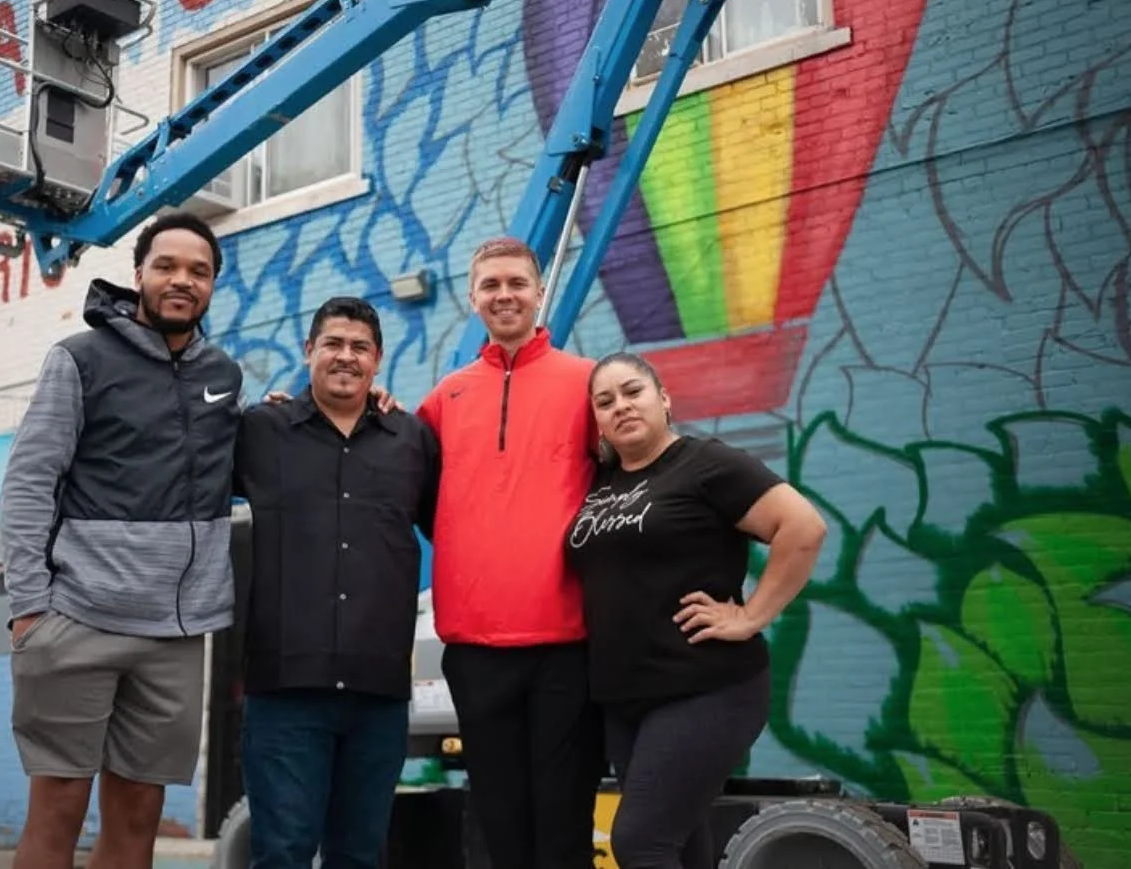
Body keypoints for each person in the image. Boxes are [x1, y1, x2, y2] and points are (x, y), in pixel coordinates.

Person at [0, 212, 242, 869]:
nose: (181, 280)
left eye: (199, 271)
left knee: (138, 819)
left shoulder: (223, 374)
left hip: (175, 635)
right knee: (58, 812)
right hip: (76, 620)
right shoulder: (80, 359)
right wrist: (29, 609)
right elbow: (27, 484)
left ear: (214, 284)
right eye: (167, 266)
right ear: (139, 275)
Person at [565, 352, 828, 869]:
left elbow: (802, 527)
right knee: (681, 844)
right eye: (605, 401)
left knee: (640, 842)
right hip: (625, 700)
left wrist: (752, 615)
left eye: (633, 392)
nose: (621, 406)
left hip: (706, 688)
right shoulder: (600, 484)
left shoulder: (706, 462)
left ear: (664, 398)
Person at [415, 236, 606, 869]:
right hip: (474, 648)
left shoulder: (587, 384)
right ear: (473, 298)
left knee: (563, 821)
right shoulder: (445, 398)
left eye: (516, 283)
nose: (504, 295)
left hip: (566, 646)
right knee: (497, 823)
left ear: (538, 292)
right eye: (491, 285)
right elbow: (406, 483)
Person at [231, 296, 440, 869]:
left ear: (377, 362)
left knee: (359, 857)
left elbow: (455, 529)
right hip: (285, 691)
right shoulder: (259, 431)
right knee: (282, 854)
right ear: (308, 353)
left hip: (379, 695)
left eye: (359, 348)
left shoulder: (412, 441)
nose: (345, 357)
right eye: (333, 344)